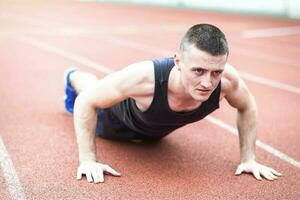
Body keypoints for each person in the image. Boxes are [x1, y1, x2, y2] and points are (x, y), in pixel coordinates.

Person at [64, 24, 282, 184]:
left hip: (152, 135)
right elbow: (86, 101)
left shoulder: (227, 81)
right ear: (178, 61)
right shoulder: (145, 77)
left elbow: (247, 105)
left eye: (216, 72)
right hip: (111, 122)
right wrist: (88, 160)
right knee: (90, 87)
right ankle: (73, 76)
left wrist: (249, 158)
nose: (208, 83)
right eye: (198, 71)